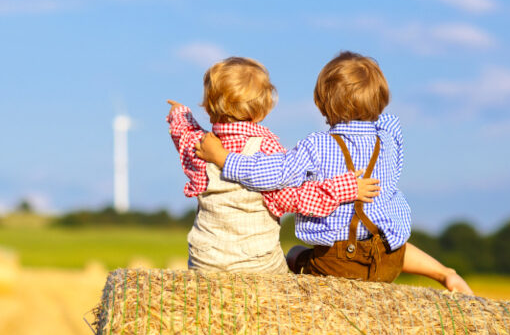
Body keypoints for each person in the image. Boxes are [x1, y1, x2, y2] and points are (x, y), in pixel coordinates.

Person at [196, 51, 474, 295]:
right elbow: (389, 120)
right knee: (391, 244)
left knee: (293, 254)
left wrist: (223, 158)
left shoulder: (317, 146)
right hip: (385, 261)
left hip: (338, 264)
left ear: (321, 103)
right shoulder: (388, 139)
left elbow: (274, 173)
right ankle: (445, 273)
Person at [168, 56, 381, 275]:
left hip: (205, 261)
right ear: (262, 110)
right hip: (257, 265)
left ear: (209, 107)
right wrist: (344, 188)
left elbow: (183, 132)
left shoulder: (201, 146)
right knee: (291, 270)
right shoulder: (267, 149)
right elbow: (294, 197)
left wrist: (179, 113)